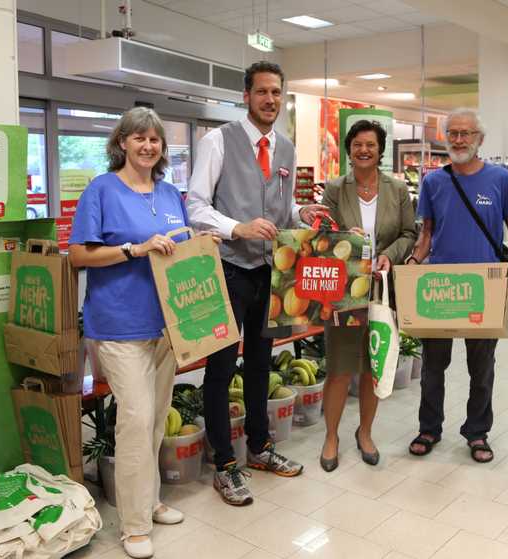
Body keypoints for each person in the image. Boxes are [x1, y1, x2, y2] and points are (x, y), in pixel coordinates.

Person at [186, 61, 328, 505]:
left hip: (271, 273)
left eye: (277, 93)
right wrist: (237, 228)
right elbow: (194, 205)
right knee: (221, 368)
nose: (270, 100)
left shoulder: (285, 148)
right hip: (228, 269)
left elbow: (280, 211)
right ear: (246, 95)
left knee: (263, 363)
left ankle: (261, 447)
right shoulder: (218, 141)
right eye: (262, 92)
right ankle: (225, 464)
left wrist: (301, 213)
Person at [69, 107, 202, 559]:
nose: (148, 146)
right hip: (118, 325)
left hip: (165, 324)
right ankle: (133, 525)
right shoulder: (101, 190)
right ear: (122, 142)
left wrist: (201, 246)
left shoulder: (169, 194)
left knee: (156, 416)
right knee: (136, 418)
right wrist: (133, 249)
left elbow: (178, 250)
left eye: (156, 140)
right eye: (139, 138)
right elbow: (78, 256)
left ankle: (150, 499)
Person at [406, 107, 508, 464]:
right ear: (445, 138)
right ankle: (429, 427)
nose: (459, 140)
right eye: (453, 133)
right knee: (432, 366)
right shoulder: (433, 182)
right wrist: (412, 264)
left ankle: (477, 432)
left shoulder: (500, 179)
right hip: (439, 285)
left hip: (484, 287)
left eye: (466, 134)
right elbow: (425, 233)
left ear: (480, 139)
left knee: (482, 367)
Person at [319, 120, 416, 471]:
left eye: (370, 145)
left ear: (380, 150)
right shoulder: (334, 189)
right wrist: (345, 235)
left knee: (373, 366)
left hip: (382, 290)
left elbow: (409, 232)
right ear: (349, 150)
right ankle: (331, 436)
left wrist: (390, 255)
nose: (364, 150)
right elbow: (323, 235)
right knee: (340, 368)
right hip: (345, 291)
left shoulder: (397, 190)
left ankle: (365, 432)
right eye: (357, 144)